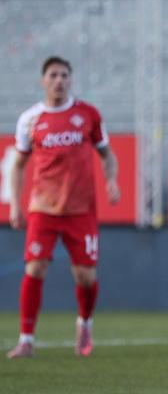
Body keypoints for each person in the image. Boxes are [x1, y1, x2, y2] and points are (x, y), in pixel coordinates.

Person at [6, 56, 120, 359]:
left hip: (81, 209)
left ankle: (84, 322)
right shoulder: (30, 119)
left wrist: (112, 181)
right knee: (35, 267)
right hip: (42, 208)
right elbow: (17, 165)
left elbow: (107, 155)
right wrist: (15, 203)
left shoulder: (88, 115)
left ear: (71, 80)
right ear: (43, 80)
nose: (59, 80)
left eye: (64, 75)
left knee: (85, 277)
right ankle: (26, 339)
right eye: (53, 75)